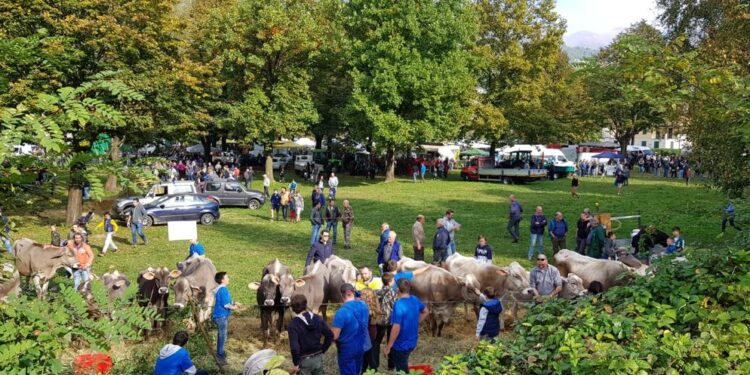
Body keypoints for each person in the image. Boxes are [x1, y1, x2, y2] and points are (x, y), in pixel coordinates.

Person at [384, 279, 428, 372]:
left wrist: (388, 347)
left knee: (402, 370)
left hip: (401, 345)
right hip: (412, 341)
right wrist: (416, 322)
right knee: (403, 363)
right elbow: (426, 311)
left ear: (397, 289)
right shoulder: (414, 299)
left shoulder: (399, 304)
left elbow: (396, 327)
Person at [287, 294, 333, 375]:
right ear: (306, 305)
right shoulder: (317, 318)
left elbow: (294, 347)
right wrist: (323, 349)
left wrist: (296, 363)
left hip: (303, 361)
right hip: (318, 358)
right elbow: (330, 335)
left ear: (293, 308)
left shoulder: (293, 324)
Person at [331, 283, 370, 375]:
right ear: (353, 293)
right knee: (357, 371)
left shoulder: (341, 312)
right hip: (361, 345)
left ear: (341, 295)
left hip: (347, 349)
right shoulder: (364, 306)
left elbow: (334, 336)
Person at [213, 272, 240, 365]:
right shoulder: (223, 289)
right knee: (222, 336)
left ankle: (220, 353)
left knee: (222, 336)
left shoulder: (222, 289)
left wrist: (235, 303)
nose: (229, 278)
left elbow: (228, 301)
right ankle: (220, 356)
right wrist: (234, 307)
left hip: (221, 316)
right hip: (221, 316)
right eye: (227, 277)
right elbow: (226, 304)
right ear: (222, 280)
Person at [374, 273, 397, 371]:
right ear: (391, 281)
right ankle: (391, 365)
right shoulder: (393, 293)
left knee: (376, 342)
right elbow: (394, 306)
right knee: (390, 341)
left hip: (379, 320)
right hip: (391, 320)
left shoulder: (377, 292)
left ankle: (375, 364)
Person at [360, 288, 381, 373]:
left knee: (368, 354)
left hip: (368, 332)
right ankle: (364, 370)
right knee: (367, 353)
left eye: (362, 294)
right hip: (373, 331)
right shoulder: (374, 308)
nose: (360, 296)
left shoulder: (366, 310)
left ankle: (374, 371)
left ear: (365, 296)